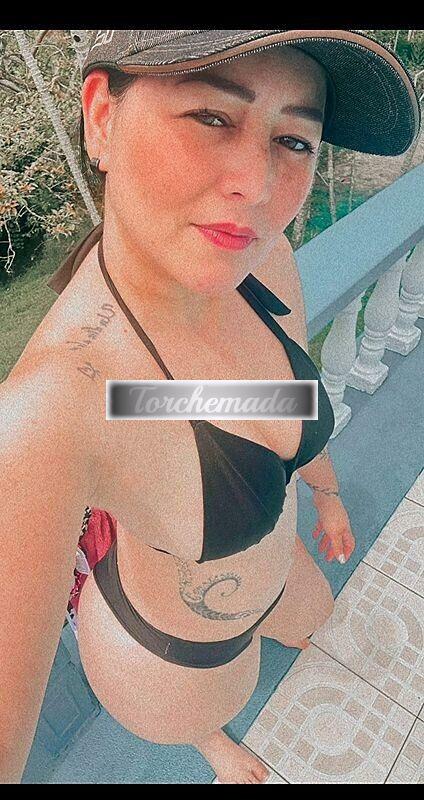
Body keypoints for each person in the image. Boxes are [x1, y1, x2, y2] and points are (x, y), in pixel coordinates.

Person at [1, 30, 420, 785]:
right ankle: (210, 742)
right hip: (175, 661)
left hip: (278, 567)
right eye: (212, 117)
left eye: (294, 139)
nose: (256, 185)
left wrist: (325, 493)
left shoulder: (262, 262)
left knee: (315, 621)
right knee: (205, 716)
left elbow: (268, 400)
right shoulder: (52, 411)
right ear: (102, 118)